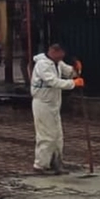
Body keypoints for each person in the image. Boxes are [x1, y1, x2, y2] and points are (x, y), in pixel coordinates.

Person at [30, 42, 84, 174]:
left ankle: (56, 163)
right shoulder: (42, 65)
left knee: (58, 136)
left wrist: (76, 70)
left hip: (53, 103)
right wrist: (73, 83)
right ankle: (40, 165)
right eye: (60, 53)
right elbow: (53, 81)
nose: (62, 56)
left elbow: (69, 72)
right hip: (42, 103)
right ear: (54, 51)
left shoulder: (57, 63)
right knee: (46, 135)